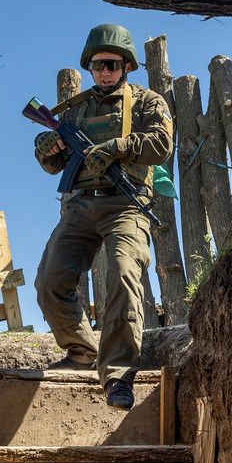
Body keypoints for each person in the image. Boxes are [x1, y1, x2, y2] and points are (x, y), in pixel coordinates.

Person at [33, 24, 174, 410]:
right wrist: (46, 148)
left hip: (125, 204)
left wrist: (119, 147)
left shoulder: (147, 101)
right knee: (50, 279)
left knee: (124, 274)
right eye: (97, 66)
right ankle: (81, 352)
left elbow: (161, 144)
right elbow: (54, 163)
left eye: (111, 65)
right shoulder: (75, 108)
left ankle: (117, 376)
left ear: (127, 66)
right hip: (80, 205)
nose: (104, 73)